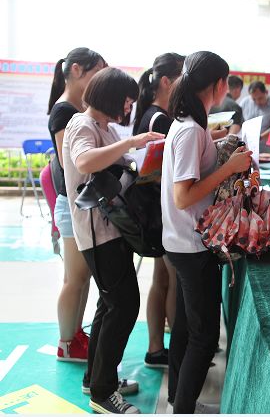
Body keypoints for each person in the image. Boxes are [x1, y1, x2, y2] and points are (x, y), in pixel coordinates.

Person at [64, 67, 164, 413]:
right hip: (98, 232)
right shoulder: (83, 125)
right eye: (126, 99)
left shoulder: (102, 127)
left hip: (110, 229)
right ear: (110, 96)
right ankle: (104, 393)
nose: (128, 106)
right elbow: (84, 160)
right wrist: (132, 143)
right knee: (123, 306)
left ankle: (96, 378)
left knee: (110, 306)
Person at [161, 51, 253, 414]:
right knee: (203, 337)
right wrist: (229, 165)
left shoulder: (191, 126)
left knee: (186, 327)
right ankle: (183, 407)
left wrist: (214, 145)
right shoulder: (187, 131)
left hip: (185, 241)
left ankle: (178, 399)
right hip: (190, 243)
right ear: (217, 86)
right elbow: (184, 195)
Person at [48, 47, 106, 362]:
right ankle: (66, 342)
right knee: (74, 278)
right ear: (75, 71)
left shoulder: (74, 108)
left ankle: (75, 336)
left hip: (77, 205)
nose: (99, 79)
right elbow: (71, 163)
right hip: (71, 205)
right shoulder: (64, 112)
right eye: (95, 71)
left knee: (81, 278)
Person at [133, 53, 185, 369]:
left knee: (162, 280)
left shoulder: (154, 114)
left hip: (156, 211)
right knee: (173, 281)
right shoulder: (160, 119)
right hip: (161, 212)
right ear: (166, 81)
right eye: (183, 76)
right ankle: (178, 352)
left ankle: (157, 349)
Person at [238, 80, 270, 155]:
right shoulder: (245, 102)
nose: (257, 102)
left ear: (266, 92)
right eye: (254, 99)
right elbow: (239, 121)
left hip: (265, 149)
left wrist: (259, 137)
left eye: (260, 98)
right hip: (246, 147)